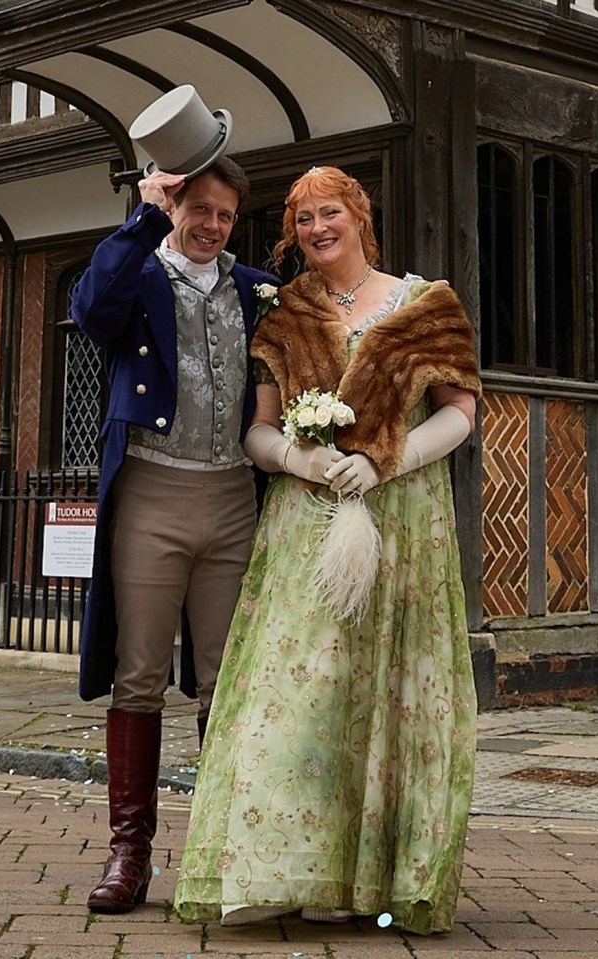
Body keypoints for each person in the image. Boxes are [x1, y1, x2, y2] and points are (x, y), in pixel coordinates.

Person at [173, 165, 482, 936]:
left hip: (402, 521)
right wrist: (299, 460)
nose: (316, 228)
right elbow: (258, 428)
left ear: (359, 215)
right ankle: (275, 865)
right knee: (297, 693)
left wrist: (388, 458)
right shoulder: (285, 315)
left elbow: (462, 413)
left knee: (387, 692)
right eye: (302, 218)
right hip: (306, 523)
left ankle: (380, 872)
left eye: (328, 212)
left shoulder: (425, 303)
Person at [72, 156, 280, 913]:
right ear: (173, 204)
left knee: (227, 678)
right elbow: (91, 308)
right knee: (140, 673)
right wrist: (144, 216)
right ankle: (129, 854)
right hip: (152, 493)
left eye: (225, 215)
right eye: (199, 210)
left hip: (232, 496)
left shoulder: (257, 288)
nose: (212, 226)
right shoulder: (139, 272)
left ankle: (224, 845)